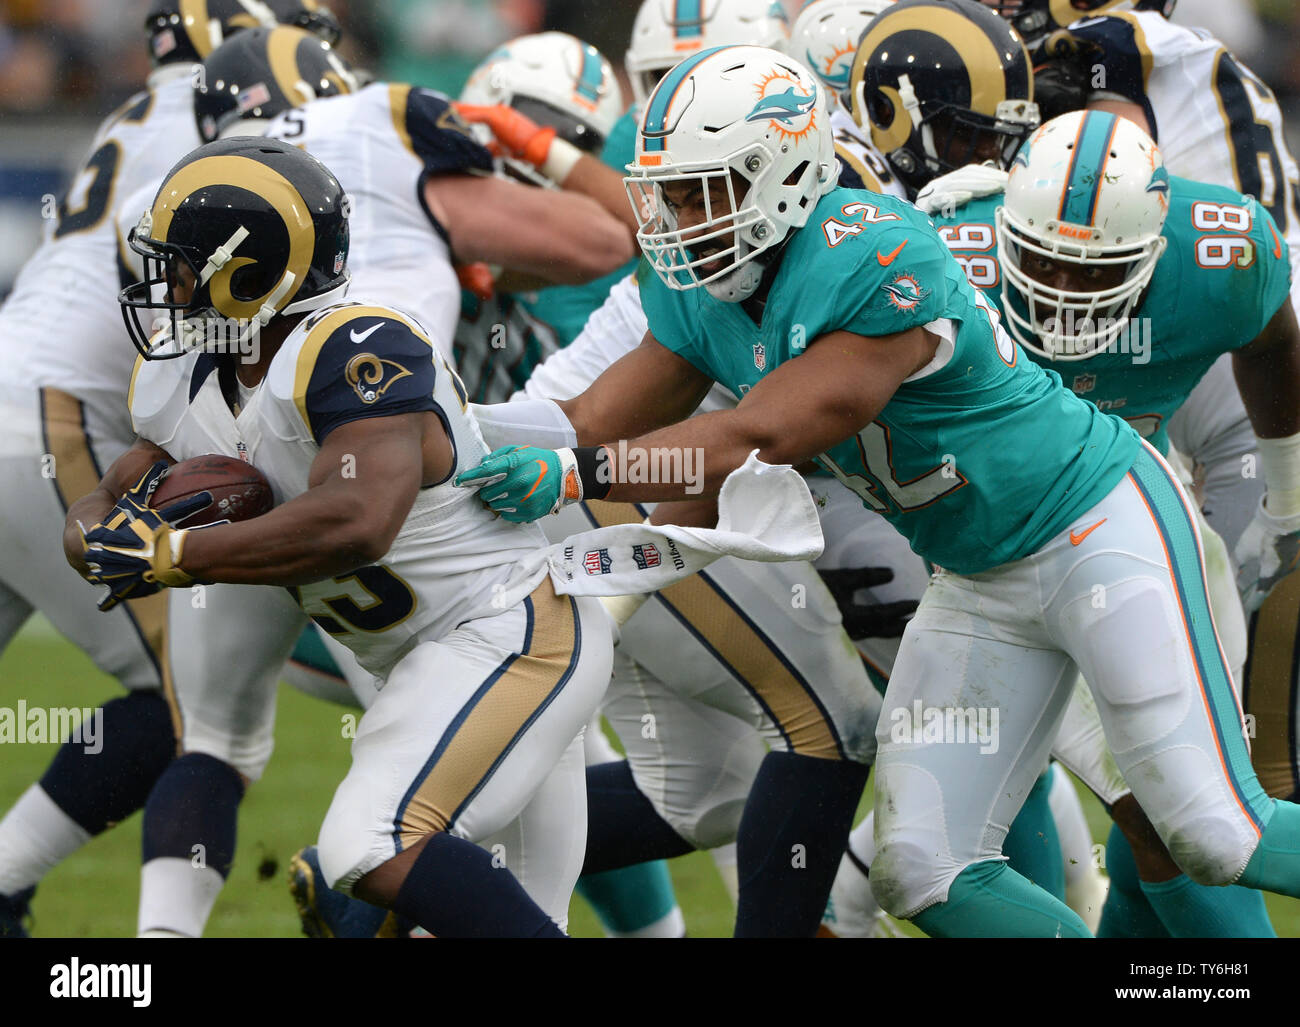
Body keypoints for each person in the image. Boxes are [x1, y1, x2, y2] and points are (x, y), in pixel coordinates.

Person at [455, 41, 1300, 936]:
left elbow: (759, 435)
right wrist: (439, 437)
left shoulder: (875, 251)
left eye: (707, 189)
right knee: (923, 870)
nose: (677, 215)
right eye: (671, 190)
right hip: (976, 575)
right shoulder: (702, 291)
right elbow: (587, 416)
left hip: (1095, 523)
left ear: (781, 175)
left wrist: (578, 477)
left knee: (1214, 831)